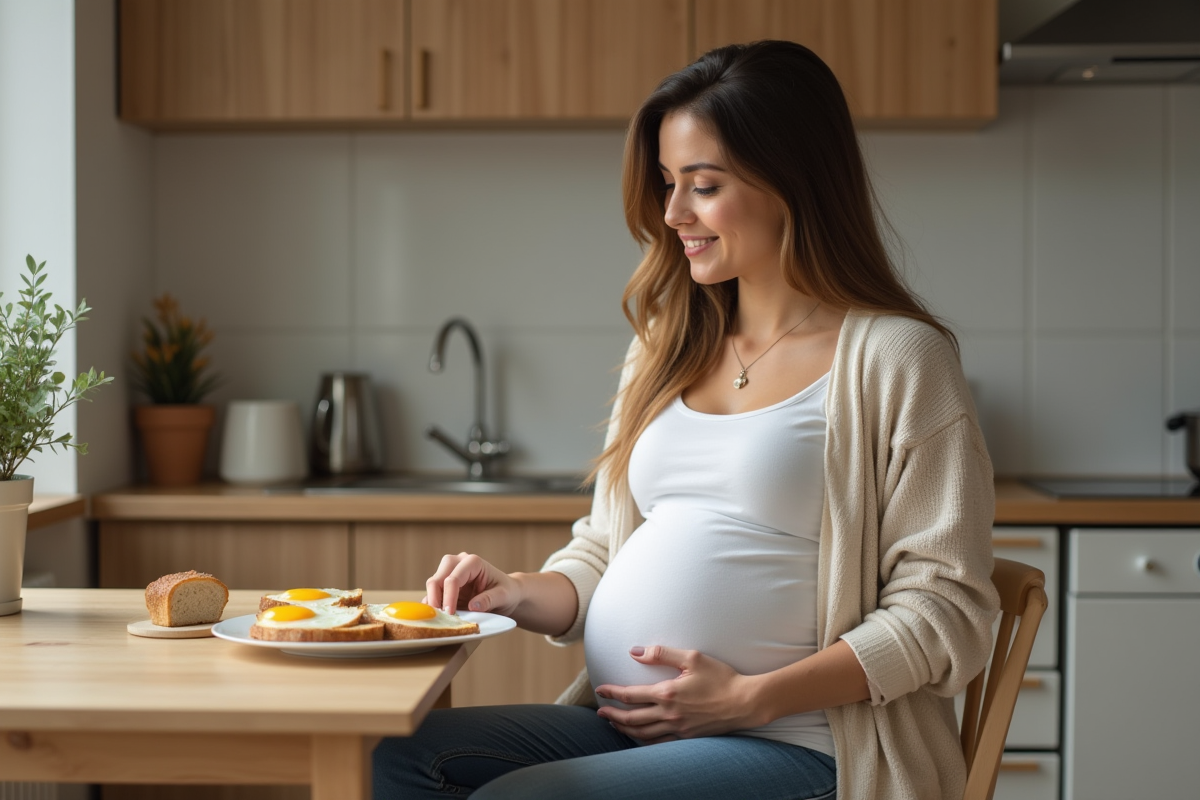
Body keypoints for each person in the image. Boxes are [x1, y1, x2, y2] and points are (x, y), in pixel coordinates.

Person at [373, 40, 999, 800]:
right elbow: (605, 549)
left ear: (792, 181)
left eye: (702, 186)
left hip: (807, 746)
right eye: (669, 184)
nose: (672, 214)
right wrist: (517, 592)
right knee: (389, 755)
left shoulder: (900, 359)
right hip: (630, 727)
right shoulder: (666, 344)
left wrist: (750, 698)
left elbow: (946, 612)